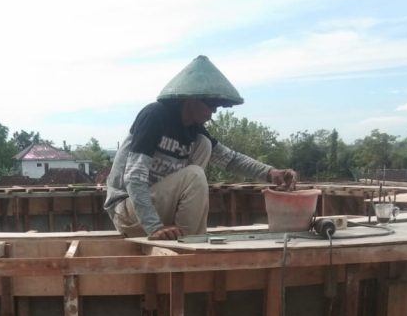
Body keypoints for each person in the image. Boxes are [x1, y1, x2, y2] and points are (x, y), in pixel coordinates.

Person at [104, 55, 298, 241]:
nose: (212, 113)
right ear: (192, 100)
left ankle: (185, 237)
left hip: (157, 207)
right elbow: (134, 176)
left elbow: (231, 159)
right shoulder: (154, 116)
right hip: (128, 211)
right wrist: (154, 227)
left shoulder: (195, 132)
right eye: (211, 106)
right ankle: (188, 243)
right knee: (194, 175)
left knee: (204, 145)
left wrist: (271, 173)